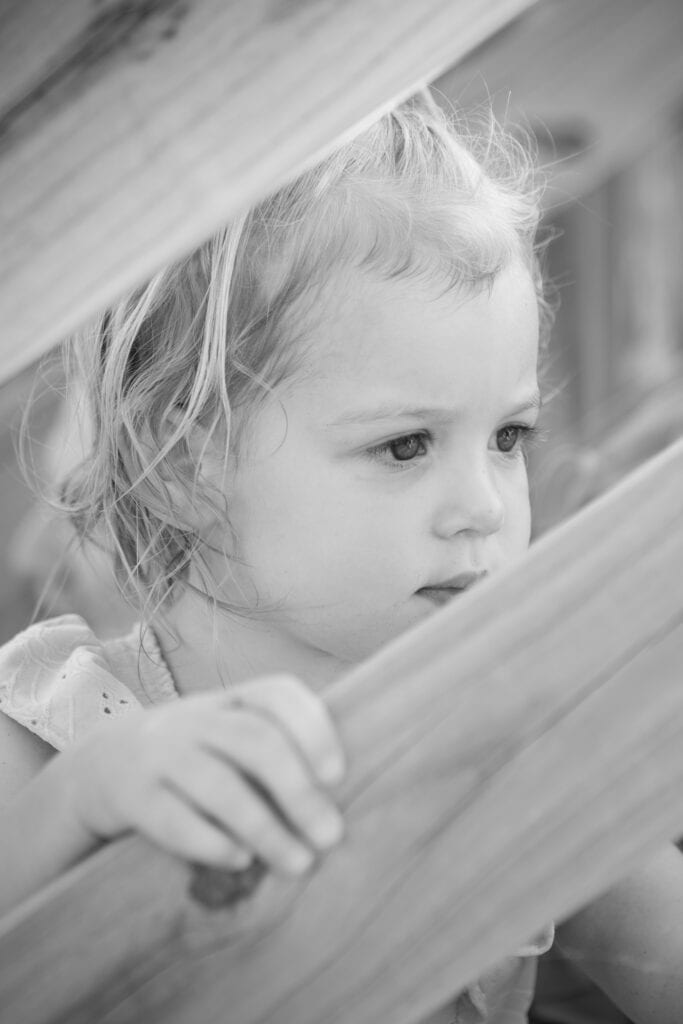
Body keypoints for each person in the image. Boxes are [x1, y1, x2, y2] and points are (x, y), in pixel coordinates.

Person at [1, 91, 682, 1024]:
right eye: (405, 446)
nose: (483, 507)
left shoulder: (517, 742)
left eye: (509, 436)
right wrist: (82, 804)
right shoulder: (61, 730)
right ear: (187, 466)